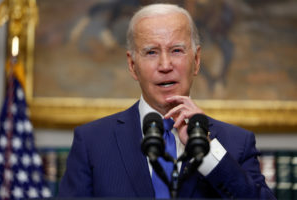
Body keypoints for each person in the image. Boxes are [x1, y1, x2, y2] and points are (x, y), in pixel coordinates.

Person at [58, 3, 275, 199]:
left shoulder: (237, 143)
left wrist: (207, 153)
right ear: (133, 65)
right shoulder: (92, 142)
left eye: (176, 50)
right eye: (151, 52)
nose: (165, 65)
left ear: (197, 61)